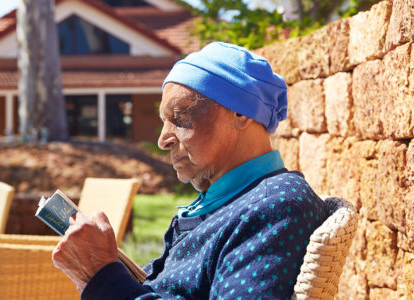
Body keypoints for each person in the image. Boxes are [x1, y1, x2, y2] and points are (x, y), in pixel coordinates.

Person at [52, 42, 327, 299]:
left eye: (180, 117)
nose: (163, 140)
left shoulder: (275, 206)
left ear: (242, 114)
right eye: (164, 121)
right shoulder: (230, 203)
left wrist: (101, 275)